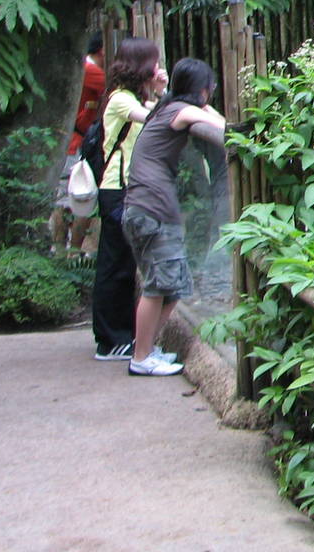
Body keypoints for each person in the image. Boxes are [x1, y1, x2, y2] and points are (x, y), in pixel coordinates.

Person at [121, 57, 225, 377]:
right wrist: (206, 105)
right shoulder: (180, 111)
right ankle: (140, 357)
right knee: (157, 286)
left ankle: (149, 350)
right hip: (151, 211)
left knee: (174, 285)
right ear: (203, 91)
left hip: (148, 208)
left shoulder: (167, 107)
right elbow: (224, 127)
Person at [90, 37, 167, 362]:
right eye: (154, 62)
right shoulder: (121, 99)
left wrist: (163, 92)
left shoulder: (133, 97)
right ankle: (110, 340)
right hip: (116, 190)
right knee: (115, 266)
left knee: (122, 264)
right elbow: (156, 119)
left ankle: (121, 337)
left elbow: (167, 111)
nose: (158, 67)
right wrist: (163, 95)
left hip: (128, 189)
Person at [50, 34, 106, 259]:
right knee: (83, 197)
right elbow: (113, 86)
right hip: (77, 145)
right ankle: (72, 251)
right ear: (102, 51)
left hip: (69, 142)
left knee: (63, 197)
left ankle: (62, 250)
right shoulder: (90, 71)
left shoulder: (77, 67)